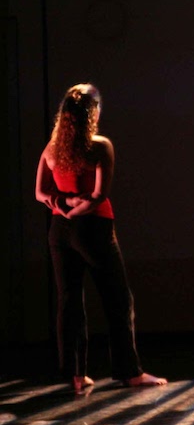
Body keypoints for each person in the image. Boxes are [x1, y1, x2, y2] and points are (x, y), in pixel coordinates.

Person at [35, 84, 167, 393]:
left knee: (69, 302)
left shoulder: (52, 148)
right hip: (93, 229)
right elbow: (98, 196)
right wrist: (75, 209)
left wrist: (61, 206)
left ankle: (74, 376)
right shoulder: (100, 146)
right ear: (92, 113)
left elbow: (39, 192)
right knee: (118, 300)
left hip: (59, 232)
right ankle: (129, 372)